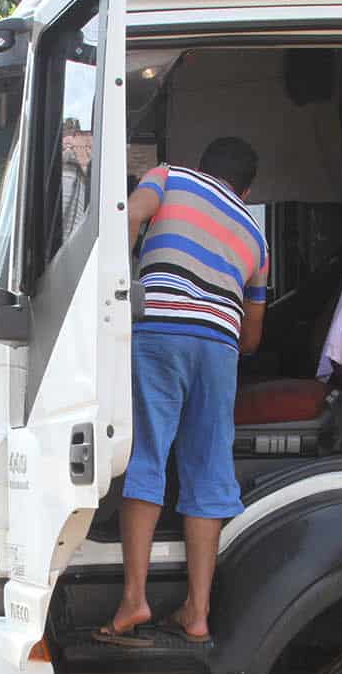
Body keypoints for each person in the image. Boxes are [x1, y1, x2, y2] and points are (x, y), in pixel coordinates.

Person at [95, 137, 268, 647]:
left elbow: (130, 217)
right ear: (246, 189)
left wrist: (121, 291)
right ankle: (197, 612)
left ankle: (134, 599)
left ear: (203, 167)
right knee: (209, 470)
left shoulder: (171, 176)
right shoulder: (257, 236)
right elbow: (253, 337)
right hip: (219, 348)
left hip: (160, 331)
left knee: (146, 457)